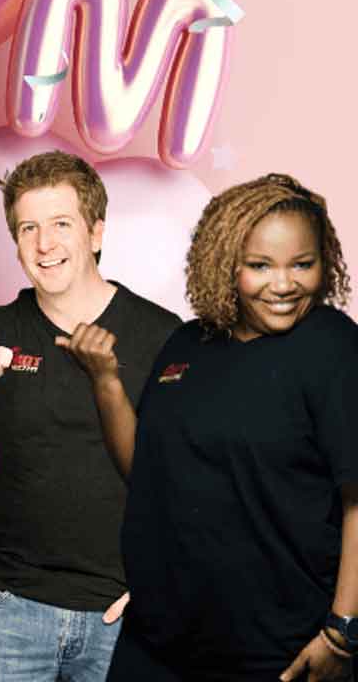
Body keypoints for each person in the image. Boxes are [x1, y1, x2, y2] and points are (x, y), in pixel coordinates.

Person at [62, 173, 357, 682]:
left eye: (302, 265)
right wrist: (107, 382)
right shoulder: (186, 345)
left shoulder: (332, 347)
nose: (283, 284)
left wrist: (342, 630)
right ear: (225, 263)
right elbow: (148, 474)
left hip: (277, 652)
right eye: (259, 266)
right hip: (158, 643)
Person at [0, 150, 181, 682]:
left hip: (125, 619)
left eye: (60, 224)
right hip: (10, 611)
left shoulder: (162, 334)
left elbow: (195, 475)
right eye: (28, 228)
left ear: (96, 233)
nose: (44, 244)